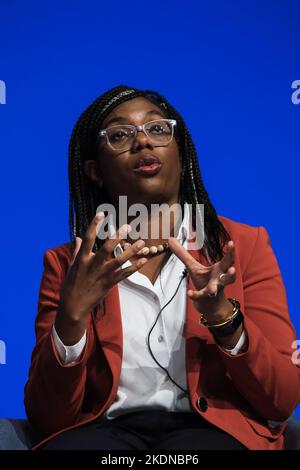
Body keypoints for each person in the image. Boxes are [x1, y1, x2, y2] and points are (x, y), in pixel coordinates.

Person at [24, 85, 300, 450]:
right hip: (105, 435)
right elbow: (48, 419)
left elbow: (281, 397)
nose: (143, 142)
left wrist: (223, 317)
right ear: (95, 172)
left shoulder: (243, 246)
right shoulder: (69, 264)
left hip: (212, 433)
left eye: (157, 129)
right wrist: (72, 317)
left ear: (181, 155)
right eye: (120, 135)